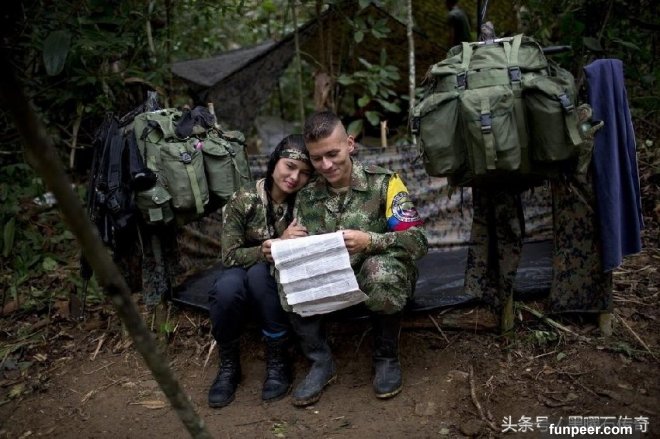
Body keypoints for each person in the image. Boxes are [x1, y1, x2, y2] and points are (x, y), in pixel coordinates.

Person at [284, 111, 428, 407]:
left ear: (350, 144)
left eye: (332, 154)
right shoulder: (307, 195)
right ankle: (320, 361)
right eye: (316, 158)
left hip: (377, 282)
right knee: (284, 271)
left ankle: (386, 357)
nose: (326, 165)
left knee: (379, 270)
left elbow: (418, 241)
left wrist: (370, 241)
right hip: (333, 284)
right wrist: (288, 242)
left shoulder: (385, 183)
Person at [207, 135, 313, 408]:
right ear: (274, 162)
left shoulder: (307, 201)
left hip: (282, 274)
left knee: (259, 276)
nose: (294, 177)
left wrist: (281, 250)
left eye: (304, 173)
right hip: (241, 268)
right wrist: (268, 249)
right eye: (289, 166)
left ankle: (278, 359)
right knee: (226, 289)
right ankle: (229, 364)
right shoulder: (244, 199)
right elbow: (229, 256)